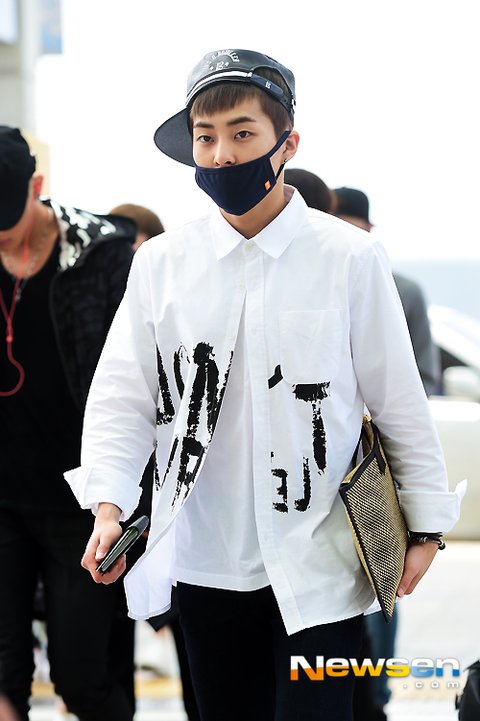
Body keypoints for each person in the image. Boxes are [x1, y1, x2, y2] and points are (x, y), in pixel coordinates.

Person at [65, 49, 464, 721]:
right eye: (205, 137)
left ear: (288, 144)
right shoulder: (162, 264)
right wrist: (109, 505)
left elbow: (397, 399)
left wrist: (425, 528)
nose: (221, 154)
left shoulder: (349, 257)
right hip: (206, 561)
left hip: (324, 565)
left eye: (242, 133)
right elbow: (123, 397)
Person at [0, 126, 136, 721]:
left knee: (82, 677)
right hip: (2, 497)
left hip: (80, 500)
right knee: (3, 676)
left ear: (36, 186)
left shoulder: (99, 253)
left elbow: (137, 378)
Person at [333, 185, 442, 721]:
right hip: (325, 468)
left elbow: (420, 383)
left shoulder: (404, 290)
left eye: (355, 226)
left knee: (382, 587)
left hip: (377, 468)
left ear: (370, 230)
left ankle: (375, 699)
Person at [107, 202, 200, 721]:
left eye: (134, 241)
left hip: (174, 499)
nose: (127, 254)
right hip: (139, 503)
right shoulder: (118, 305)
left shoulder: (176, 296)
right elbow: (119, 407)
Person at [334, 186, 441, 396]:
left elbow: (424, 374)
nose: (345, 241)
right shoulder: (311, 290)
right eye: (335, 230)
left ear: (369, 229)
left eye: (352, 231)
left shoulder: (406, 292)